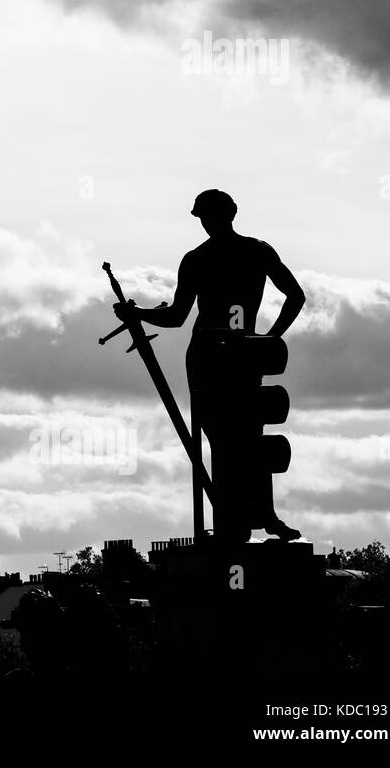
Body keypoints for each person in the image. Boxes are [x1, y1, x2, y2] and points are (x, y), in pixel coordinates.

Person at [114, 190, 306, 542]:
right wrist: (266, 339)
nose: (205, 223)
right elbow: (176, 314)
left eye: (206, 216)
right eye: (203, 217)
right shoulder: (247, 252)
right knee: (237, 438)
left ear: (221, 216)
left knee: (241, 440)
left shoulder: (208, 257)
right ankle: (241, 522)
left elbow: (176, 316)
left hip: (222, 354)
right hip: (228, 355)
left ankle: (252, 520)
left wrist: (267, 340)